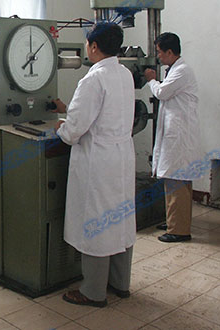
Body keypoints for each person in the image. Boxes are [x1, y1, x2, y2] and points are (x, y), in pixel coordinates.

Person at [53, 21, 135, 308]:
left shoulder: (93, 79)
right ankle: (120, 283)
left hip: (99, 160)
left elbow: (74, 129)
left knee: (97, 221)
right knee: (120, 218)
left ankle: (93, 291)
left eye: (88, 43)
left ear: (94, 46)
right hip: (121, 156)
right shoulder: (124, 74)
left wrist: (61, 128)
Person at [144, 32, 199, 243]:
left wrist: (151, 80)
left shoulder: (182, 71)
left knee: (177, 181)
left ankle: (179, 230)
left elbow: (162, 93)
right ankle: (173, 221)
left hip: (180, 136)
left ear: (169, 51)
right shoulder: (175, 70)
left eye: (159, 52)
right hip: (175, 134)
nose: (158, 56)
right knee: (173, 180)